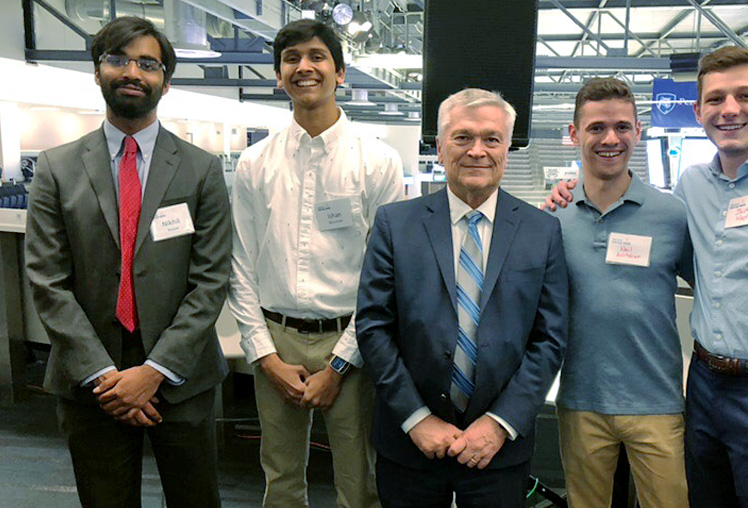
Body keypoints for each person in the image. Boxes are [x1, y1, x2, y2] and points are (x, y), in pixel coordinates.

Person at [549, 47, 748, 507]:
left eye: (745, 95)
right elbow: (702, 273)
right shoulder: (693, 188)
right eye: (716, 98)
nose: (729, 110)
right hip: (704, 386)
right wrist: (565, 191)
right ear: (698, 110)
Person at [25, 16, 230, 508]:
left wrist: (154, 371)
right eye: (117, 59)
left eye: (147, 63)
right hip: (93, 381)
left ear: (166, 79)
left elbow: (211, 280)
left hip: (181, 378)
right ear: (97, 72)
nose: (132, 72)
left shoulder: (201, 169)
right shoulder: (56, 168)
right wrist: (105, 376)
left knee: (195, 500)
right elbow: (47, 281)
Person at [355, 88, 568, 508]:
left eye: (491, 139)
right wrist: (416, 419)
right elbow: (374, 327)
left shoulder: (542, 232)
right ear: (439, 146)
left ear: (508, 148)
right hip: (410, 443)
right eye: (462, 137)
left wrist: (499, 423)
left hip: (499, 448)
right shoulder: (395, 225)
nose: (477, 151)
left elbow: (550, 339)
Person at [227, 19, 403, 508]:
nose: (304, 66)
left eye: (317, 56)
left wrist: (342, 364)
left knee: (358, 481)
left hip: (352, 340)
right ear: (279, 77)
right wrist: (264, 355)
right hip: (275, 338)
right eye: (291, 59)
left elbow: (384, 275)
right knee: (280, 480)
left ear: (340, 72)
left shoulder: (377, 161)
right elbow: (240, 264)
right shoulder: (254, 163)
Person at [546, 77, 691, 508]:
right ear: (574, 134)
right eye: (596, 128)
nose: (611, 139)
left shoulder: (671, 214)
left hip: (658, 402)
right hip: (581, 400)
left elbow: (716, 287)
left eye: (622, 127)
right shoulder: (553, 217)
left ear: (638, 132)